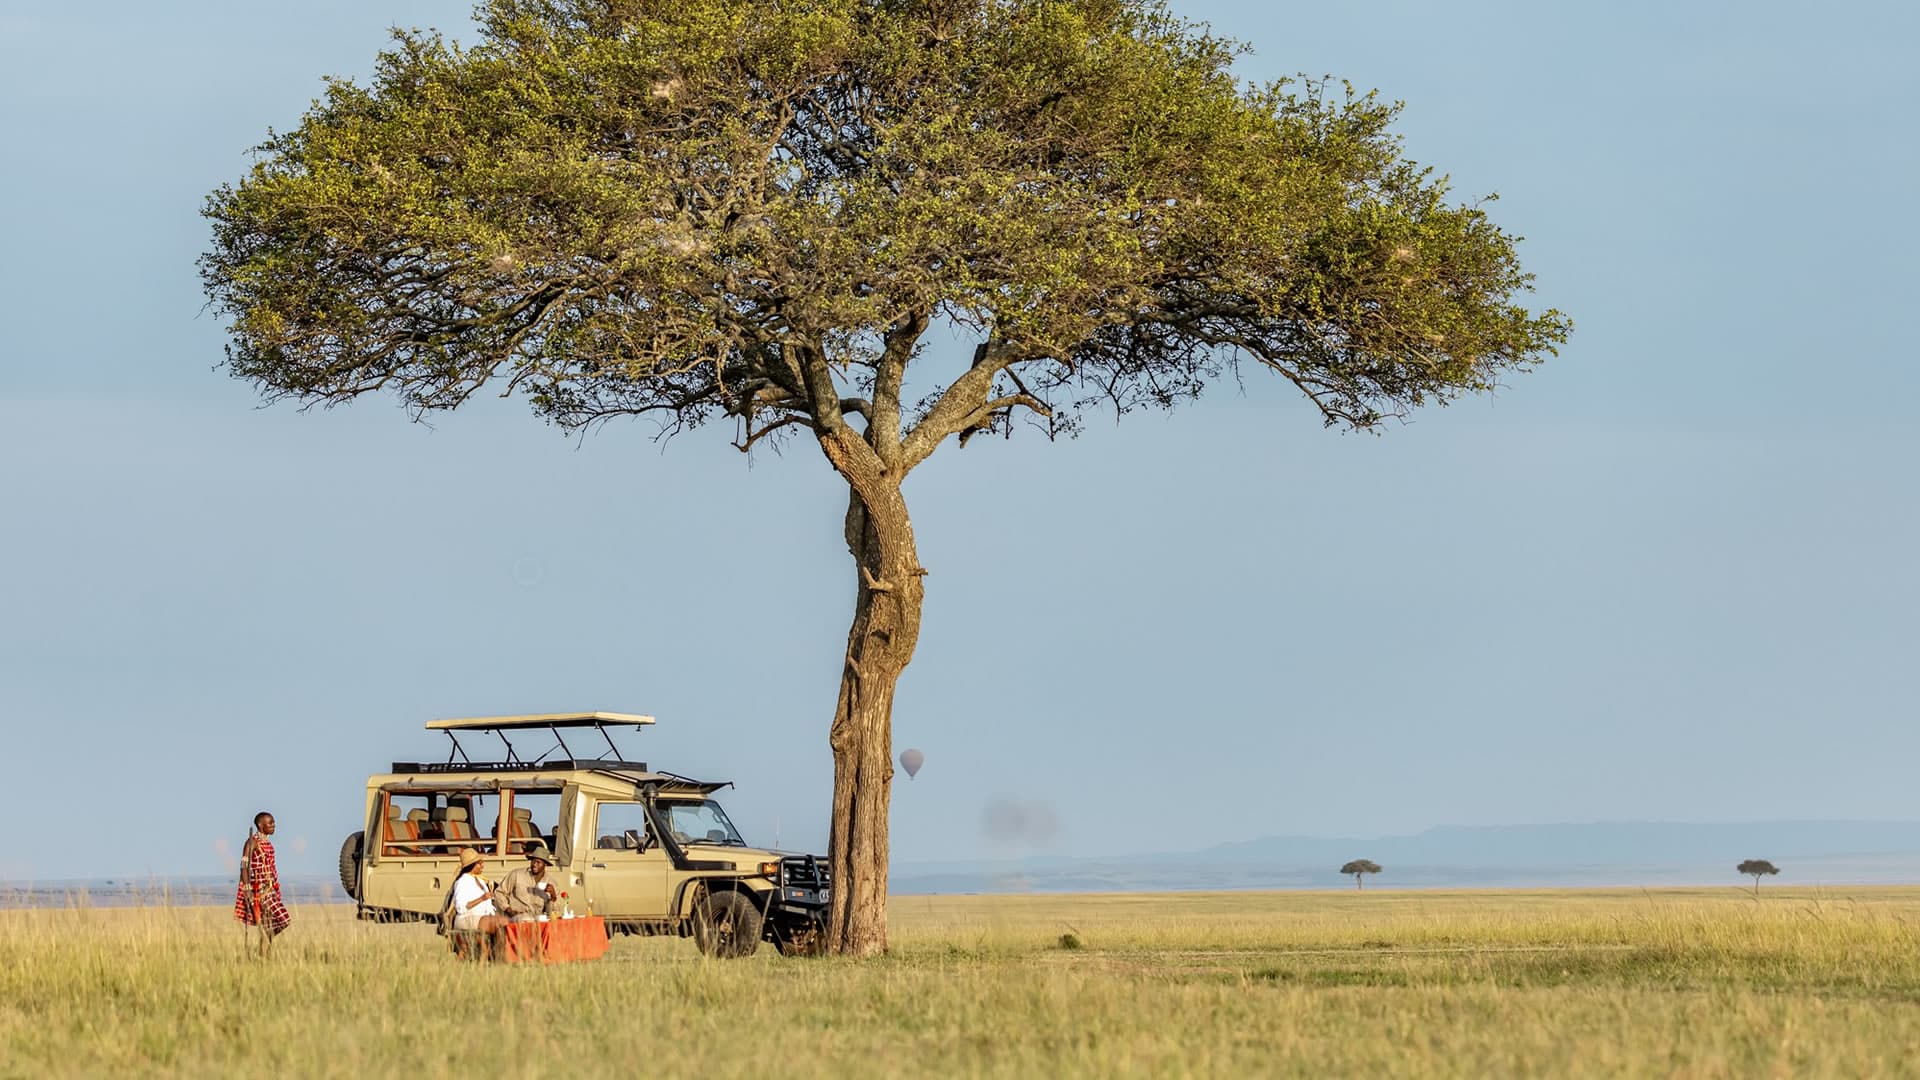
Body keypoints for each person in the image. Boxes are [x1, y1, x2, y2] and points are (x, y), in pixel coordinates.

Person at [233, 811, 292, 956]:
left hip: (271, 889)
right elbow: (244, 866)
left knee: (271, 924)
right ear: (260, 825)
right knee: (283, 920)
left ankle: (264, 953)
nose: (273, 825)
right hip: (259, 890)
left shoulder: (267, 842)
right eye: (270, 823)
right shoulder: (252, 842)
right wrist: (246, 889)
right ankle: (263, 951)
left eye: (273, 823)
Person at [448, 847, 509, 936]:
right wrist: (482, 898)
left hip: (482, 917)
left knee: (509, 921)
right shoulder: (462, 881)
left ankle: (500, 949)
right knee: (501, 923)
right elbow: (460, 907)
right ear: (472, 865)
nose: (482, 866)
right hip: (466, 918)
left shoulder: (480, 880)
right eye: (479, 864)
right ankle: (500, 949)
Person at [494, 844, 560, 922]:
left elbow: (552, 914)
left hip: (537, 920)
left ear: (545, 864)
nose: (534, 864)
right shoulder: (517, 874)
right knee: (525, 919)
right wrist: (508, 910)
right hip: (516, 917)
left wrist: (553, 896)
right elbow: (499, 892)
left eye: (538, 862)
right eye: (533, 861)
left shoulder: (551, 883)